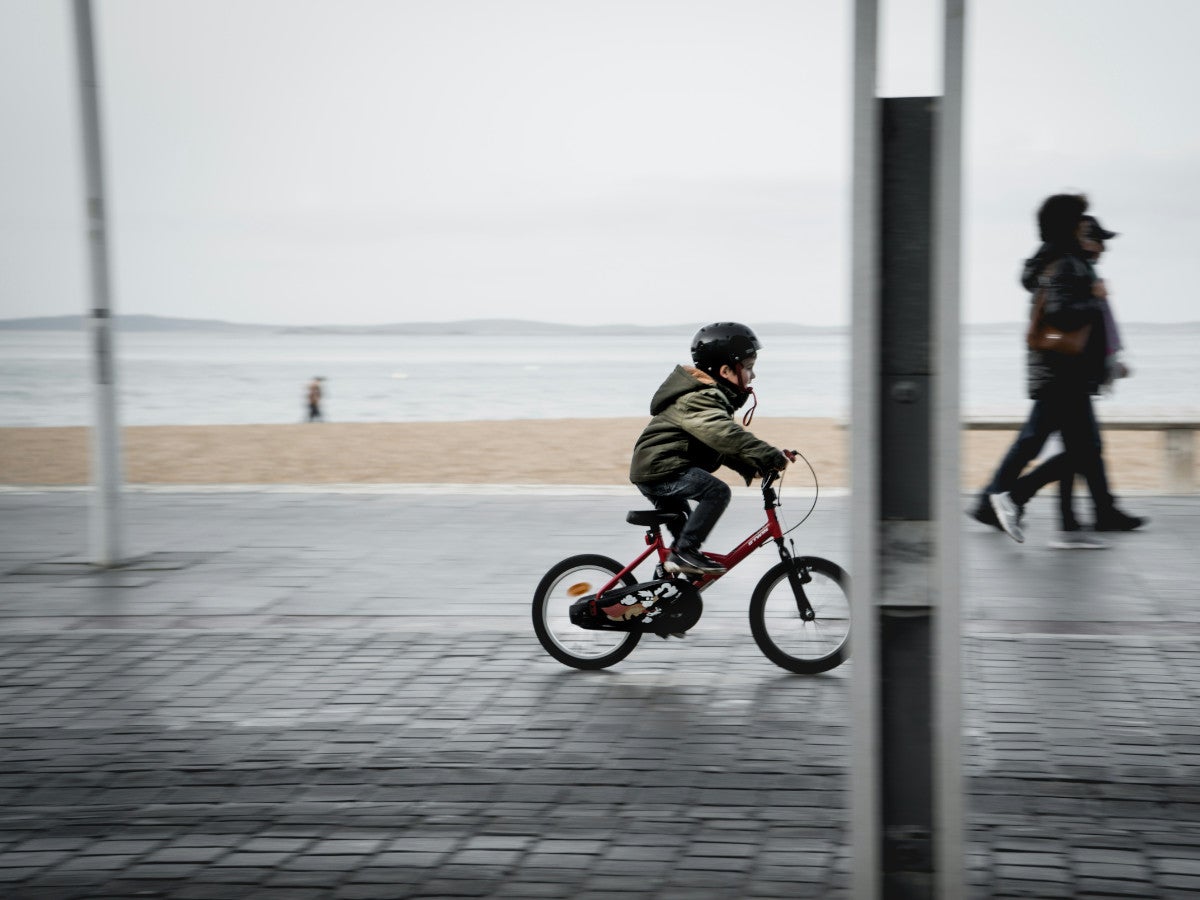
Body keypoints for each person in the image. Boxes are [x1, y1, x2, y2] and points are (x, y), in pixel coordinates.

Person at [970, 194, 1140, 549]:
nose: (1085, 224)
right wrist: (1094, 298)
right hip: (1064, 373)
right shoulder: (1066, 264)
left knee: (1063, 445)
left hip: (1064, 372)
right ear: (1068, 224)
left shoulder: (1060, 261)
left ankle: (1006, 500)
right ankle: (1008, 498)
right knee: (1074, 449)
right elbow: (1062, 315)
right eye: (1079, 219)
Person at [629, 322, 794, 575]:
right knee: (716, 492)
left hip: (659, 468)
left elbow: (719, 446)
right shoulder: (701, 398)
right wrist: (768, 454)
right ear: (726, 370)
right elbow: (725, 435)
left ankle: (661, 595)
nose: (754, 375)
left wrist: (755, 466)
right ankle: (685, 554)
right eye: (749, 368)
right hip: (663, 468)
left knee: (680, 540)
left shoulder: (708, 397)